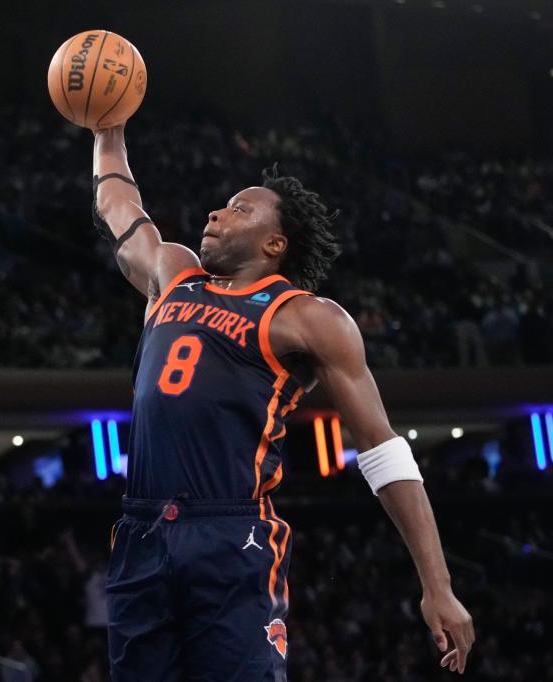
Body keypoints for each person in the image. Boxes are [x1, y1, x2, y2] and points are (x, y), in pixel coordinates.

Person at [90, 125, 474, 681]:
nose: (216, 215)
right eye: (222, 207)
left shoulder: (308, 317)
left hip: (231, 532)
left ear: (275, 245)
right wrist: (108, 128)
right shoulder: (172, 273)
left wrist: (437, 586)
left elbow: (382, 451)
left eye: (239, 210)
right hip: (141, 529)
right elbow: (116, 201)